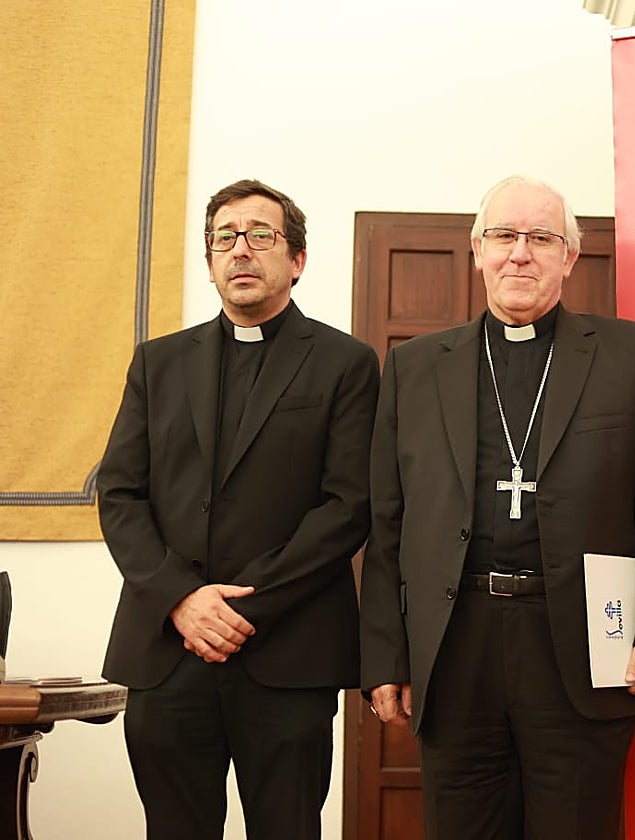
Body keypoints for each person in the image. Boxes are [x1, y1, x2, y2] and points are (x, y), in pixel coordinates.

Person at [360, 175, 635, 839]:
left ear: (569, 257)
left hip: (576, 637)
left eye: (542, 238)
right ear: (477, 251)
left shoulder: (627, 354)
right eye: (505, 236)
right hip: (456, 645)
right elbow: (386, 525)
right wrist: (383, 657)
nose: (521, 253)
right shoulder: (416, 367)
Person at [97, 179, 380, 840]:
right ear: (210, 262)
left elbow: (348, 506)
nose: (241, 250)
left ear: (297, 260)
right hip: (168, 649)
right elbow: (118, 492)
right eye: (225, 238)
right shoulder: (158, 362)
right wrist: (181, 599)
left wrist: (238, 610)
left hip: (288, 655)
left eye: (261, 235)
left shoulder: (345, 363)